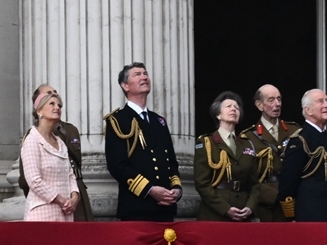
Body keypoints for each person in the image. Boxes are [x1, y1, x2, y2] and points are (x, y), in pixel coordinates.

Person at [103, 62, 182, 221]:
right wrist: (149, 189)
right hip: (137, 208)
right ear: (125, 85)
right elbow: (117, 166)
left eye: (145, 73)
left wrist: (176, 189)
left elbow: (171, 162)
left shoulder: (159, 121)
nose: (144, 77)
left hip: (165, 209)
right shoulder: (117, 120)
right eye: (137, 74)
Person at [18, 84, 94, 221]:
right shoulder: (32, 140)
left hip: (65, 212)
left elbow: (70, 174)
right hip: (42, 211)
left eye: (59, 105)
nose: (57, 107)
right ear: (39, 110)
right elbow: (33, 180)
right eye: (51, 103)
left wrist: (75, 196)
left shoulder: (60, 141)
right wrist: (60, 200)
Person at [276, 89, 327, 221]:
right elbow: (287, 185)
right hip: (312, 217)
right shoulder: (300, 140)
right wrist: (292, 216)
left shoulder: (324, 136)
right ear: (308, 110)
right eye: (320, 101)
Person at [194, 91, 262, 221]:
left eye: (236, 107)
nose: (233, 109)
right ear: (218, 114)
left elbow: (255, 185)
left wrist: (250, 207)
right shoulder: (206, 142)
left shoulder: (247, 144)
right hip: (215, 213)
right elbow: (202, 183)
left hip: (243, 212)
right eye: (228, 106)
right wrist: (225, 209)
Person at [240, 84, 302, 222]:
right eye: (271, 100)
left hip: (292, 202)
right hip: (265, 205)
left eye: (279, 99)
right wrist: (273, 195)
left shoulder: (294, 130)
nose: (277, 104)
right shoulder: (248, 137)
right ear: (259, 105)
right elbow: (246, 175)